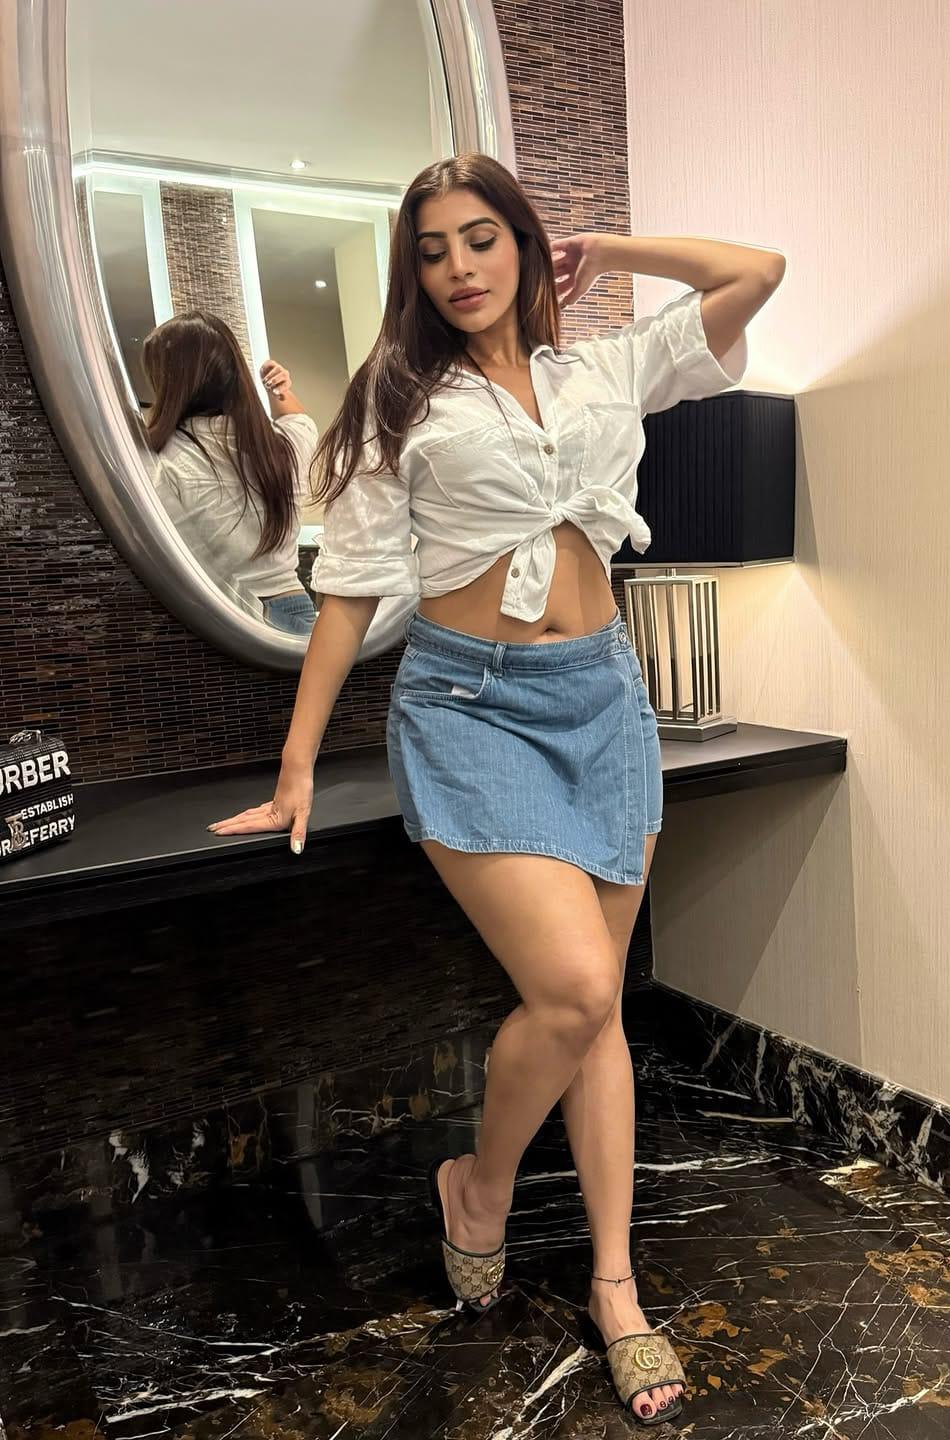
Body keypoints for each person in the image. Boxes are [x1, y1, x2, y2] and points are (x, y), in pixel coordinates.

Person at [208, 152, 784, 1426]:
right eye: (432, 251)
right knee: (575, 989)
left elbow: (757, 272)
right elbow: (351, 592)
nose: (458, 268)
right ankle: (480, 1184)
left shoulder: (602, 367)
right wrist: (297, 764)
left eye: (482, 238)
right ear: (411, 275)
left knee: (599, 1012)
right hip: (470, 711)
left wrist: (609, 250)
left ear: (525, 245)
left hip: (605, 702)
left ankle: (616, 1284)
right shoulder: (398, 400)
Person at [143, 310, 319, 634]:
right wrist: (277, 389)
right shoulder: (286, 446)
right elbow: (299, 419)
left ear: (168, 382)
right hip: (299, 618)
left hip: (225, 621)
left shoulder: (159, 458)